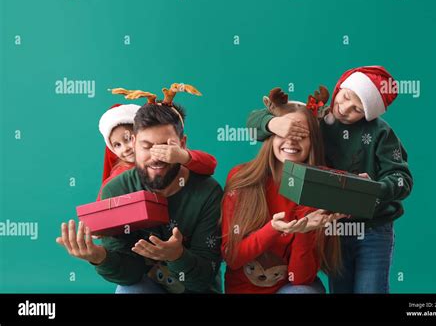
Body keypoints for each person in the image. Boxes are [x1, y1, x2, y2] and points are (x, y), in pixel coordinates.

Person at [246, 66, 414, 293]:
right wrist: (273, 123)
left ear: (368, 114)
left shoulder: (381, 133)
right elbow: (252, 123)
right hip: (333, 229)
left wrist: (374, 188)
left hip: (373, 228)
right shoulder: (318, 118)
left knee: (370, 288)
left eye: (356, 109)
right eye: (345, 97)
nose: (344, 109)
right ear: (340, 87)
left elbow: (402, 179)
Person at [57, 102, 222, 293]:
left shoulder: (208, 192)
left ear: (182, 145)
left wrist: (178, 255)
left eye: (166, 147)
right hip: (148, 284)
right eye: (147, 146)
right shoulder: (118, 189)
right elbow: (130, 275)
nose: (157, 157)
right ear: (134, 143)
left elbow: (203, 278)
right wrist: (99, 256)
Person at [222, 89, 344, 294]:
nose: (291, 141)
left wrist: (306, 231)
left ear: (312, 143)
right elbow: (232, 258)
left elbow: (300, 279)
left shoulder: (313, 190)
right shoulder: (241, 178)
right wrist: (273, 229)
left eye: (301, 135)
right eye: (284, 133)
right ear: (271, 136)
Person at [97, 103, 217, 200]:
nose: (126, 148)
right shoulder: (116, 182)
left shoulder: (205, 190)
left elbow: (209, 164)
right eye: (117, 145)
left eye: (164, 145)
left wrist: (182, 156)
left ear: (182, 144)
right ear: (136, 141)